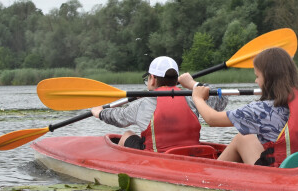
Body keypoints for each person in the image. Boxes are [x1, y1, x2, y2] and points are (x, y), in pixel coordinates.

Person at [190, 47, 298, 166]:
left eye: (257, 76)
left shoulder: (262, 110)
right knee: (246, 137)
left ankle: (211, 177)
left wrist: (197, 97)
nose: (256, 82)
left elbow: (212, 119)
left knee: (241, 138)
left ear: (268, 78)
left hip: (280, 175)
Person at [91, 56, 228, 152]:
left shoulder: (142, 104)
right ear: (176, 80)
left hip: (159, 160)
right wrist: (193, 84)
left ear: (152, 79)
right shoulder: (192, 98)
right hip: (189, 155)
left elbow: (119, 118)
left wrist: (100, 112)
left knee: (127, 134)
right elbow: (222, 100)